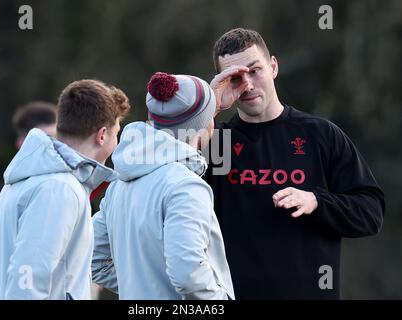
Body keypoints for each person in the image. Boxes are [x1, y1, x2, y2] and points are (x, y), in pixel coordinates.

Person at [205, 28, 385, 299]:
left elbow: (371, 213)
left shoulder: (320, 135)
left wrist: (317, 201)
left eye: (255, 71)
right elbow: (166, 188)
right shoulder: (216, 142)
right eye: (235, 78)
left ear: (273, 66)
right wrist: (210, 109)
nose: (248, 85)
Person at [92, 72, 234, 299]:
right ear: (205, 123)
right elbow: (188, 274)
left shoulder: (119, 184)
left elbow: (92, 258)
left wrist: (143, 289)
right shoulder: (186, 186)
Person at [0, 79, 130, 299]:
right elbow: (28, 281)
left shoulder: (30, 178)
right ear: (102, 135)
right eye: (116, 133)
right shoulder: (59, 189)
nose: (116, 143)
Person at [0, 101, 57, 292]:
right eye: (45, 138)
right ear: (21, 144)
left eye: (56, 138)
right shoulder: (0, 195)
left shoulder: (73, 190)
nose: (52, 146)